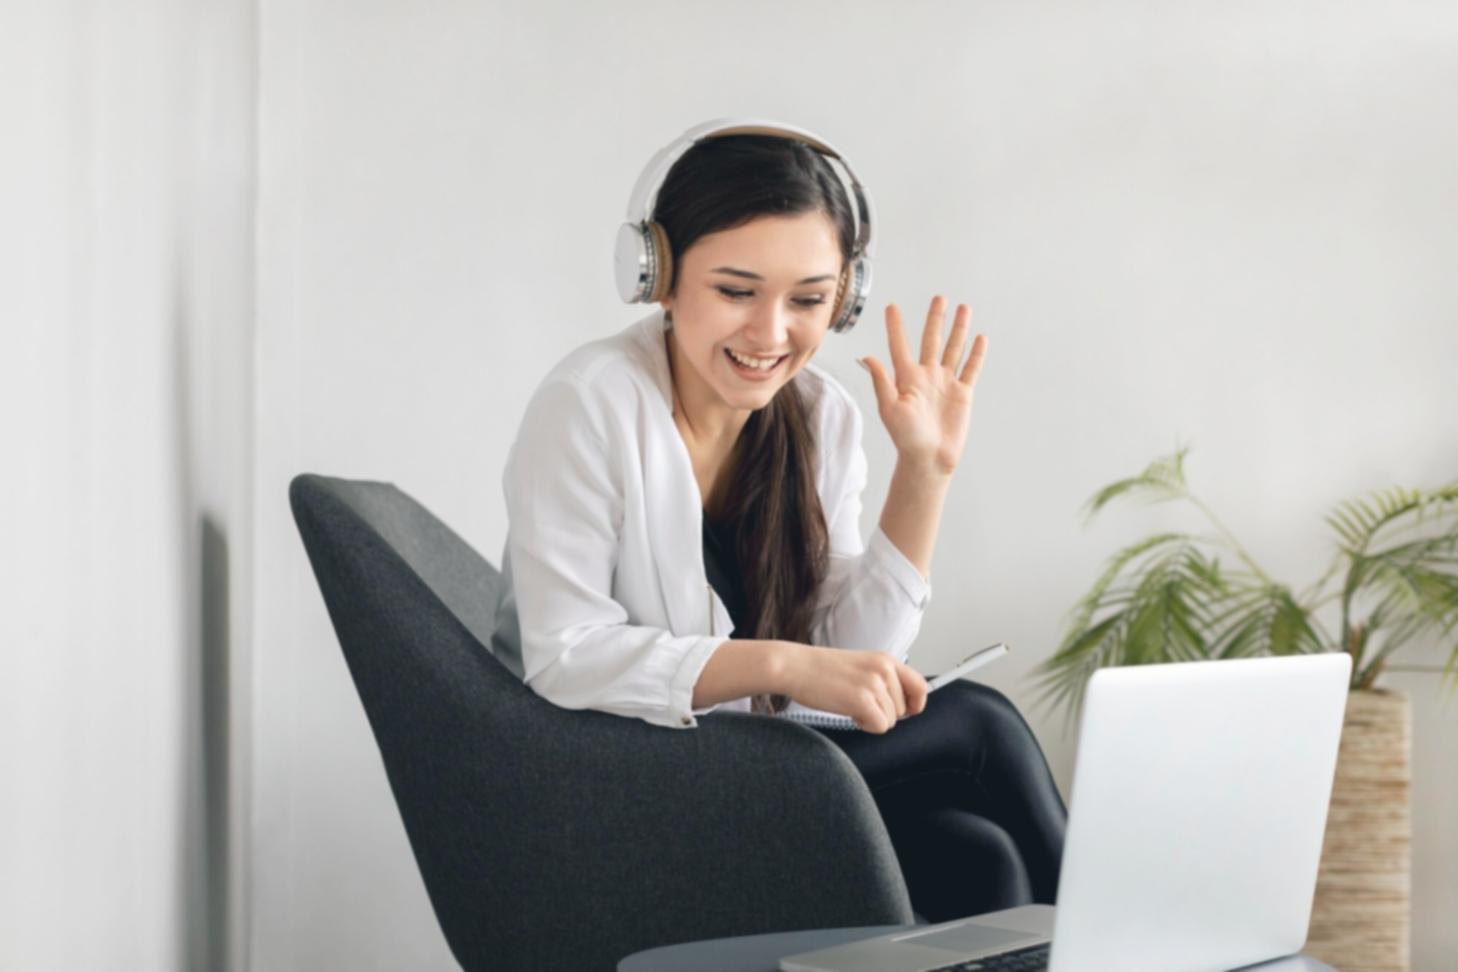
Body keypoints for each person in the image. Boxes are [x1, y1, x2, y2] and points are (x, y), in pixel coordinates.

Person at [490, 126, 1066, 921]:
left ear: (844, 298)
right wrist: (784, 667)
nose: (770, 334)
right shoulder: (589, 404)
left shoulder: (818, 413)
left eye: (807, 300)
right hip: (614, 784)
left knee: (976, 853)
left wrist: (925, 470)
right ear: (658, 276)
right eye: (736, 291)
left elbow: (855, 651)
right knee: (980, 728)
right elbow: (566, 656)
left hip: (749, 762)